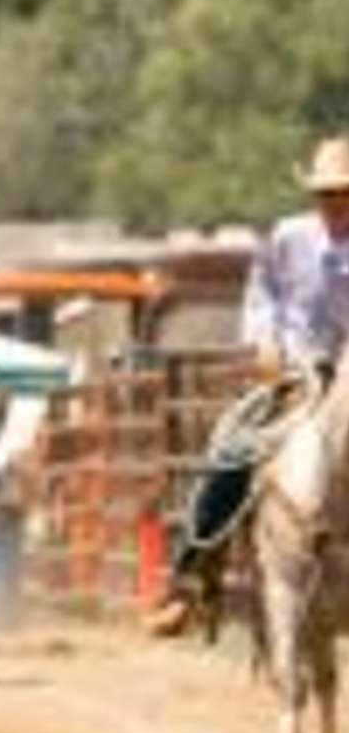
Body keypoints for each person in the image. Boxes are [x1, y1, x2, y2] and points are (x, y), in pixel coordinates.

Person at [148, 134, 349, 637]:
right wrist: (265, 345)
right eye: (326, 194)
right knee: (231, 444)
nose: (334, 203)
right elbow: (263, 296)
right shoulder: (288, 238)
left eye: (343, 194)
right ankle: (192, 574)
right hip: (296, 373)